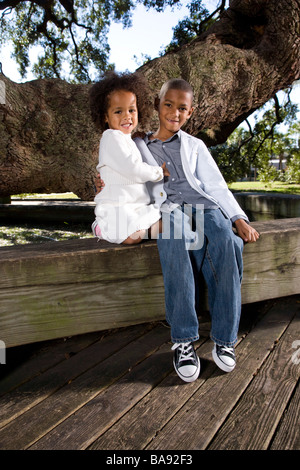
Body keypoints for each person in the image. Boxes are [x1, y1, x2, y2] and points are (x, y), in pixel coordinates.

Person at [96, 78, 259, 383]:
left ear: (190, 112)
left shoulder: (194, 145)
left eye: (182, 108)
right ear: (157, 106)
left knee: (226, 242)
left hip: (206, 208)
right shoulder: (137, 143)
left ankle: (224, 338)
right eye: (167, 104)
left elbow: (215, 186)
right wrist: (102, 182)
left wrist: (237, 218)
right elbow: (118, 168)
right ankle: (184, 340)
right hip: (169, 209)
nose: (174, 112)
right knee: (171, 238)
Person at [89, 71, 167, 245]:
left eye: (132, 110)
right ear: (106, 117)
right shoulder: (111, 137)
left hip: (135, 205)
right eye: (118, 111)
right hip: (118, 207)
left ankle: (166, 227)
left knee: (155, 224)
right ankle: (101, 227)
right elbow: (133, 169)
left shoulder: (128, 139)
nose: (127, 116)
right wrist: (158, 172)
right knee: (132, 236)